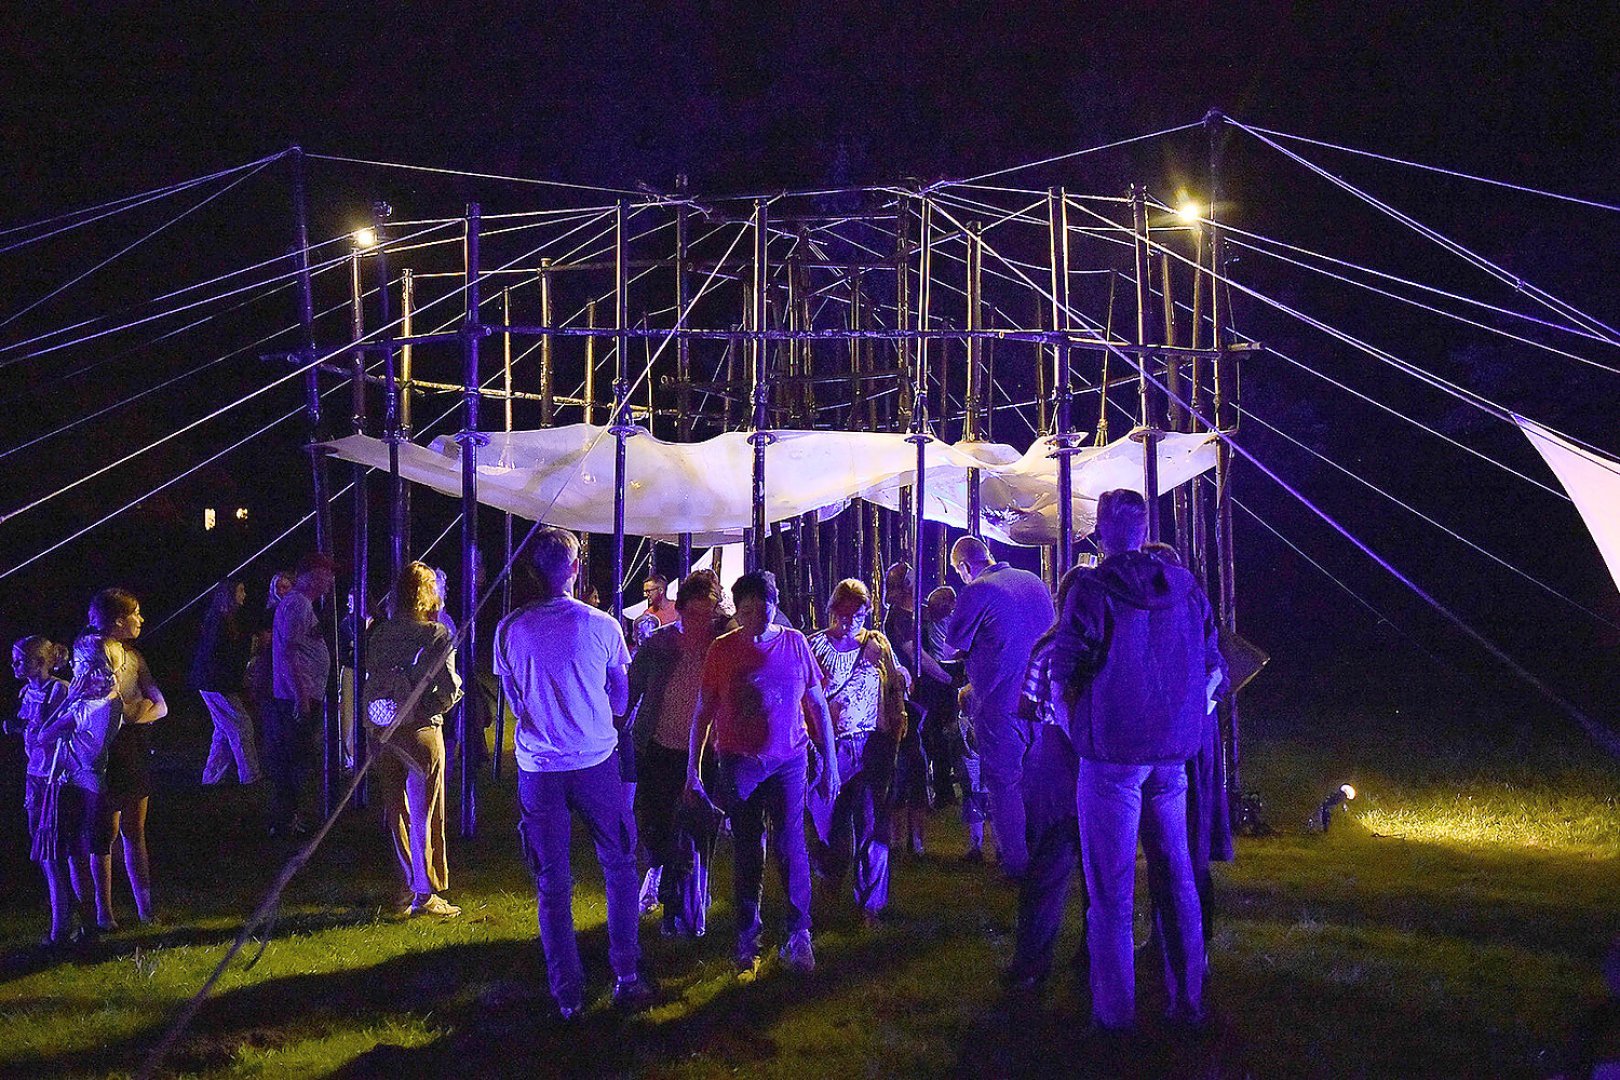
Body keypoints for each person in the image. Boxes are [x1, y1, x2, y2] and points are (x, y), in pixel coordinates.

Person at [1051, 489, 1226, 1033]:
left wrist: (1077, 731)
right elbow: (1215, 668)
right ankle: (1188, 1001)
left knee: (1110, 889)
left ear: (1101, 531)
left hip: (1110, 759)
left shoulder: (1091, 588)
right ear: (1145, 526)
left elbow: (1063, 675)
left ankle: (1115, 1018)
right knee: (1176, 877)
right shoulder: (1186, 585)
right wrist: (1190, 720)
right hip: (1171, 757)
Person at [494, 527, 653, 1018]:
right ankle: (626, 974)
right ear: (576, 569)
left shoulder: (510, 629)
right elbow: (622, 695)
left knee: (552, 881)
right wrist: (598, 712)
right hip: (595, 761)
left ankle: (568, 994)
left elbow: (516, 701)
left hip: (540, 767)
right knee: (620, 865)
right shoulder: (602, 626)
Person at [687, 569, 839, 977]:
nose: (755, 615)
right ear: (737, 611)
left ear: (775, 605)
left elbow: (818, 705)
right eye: (746, 608)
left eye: (763, 606)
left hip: (789, 760)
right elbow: (703, 713)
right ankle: (746, 939)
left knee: (792, 846)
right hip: (739, 761)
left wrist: (831, 764)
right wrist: (693, 772)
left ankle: (798, 934)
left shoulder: (795, 644)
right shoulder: (722, 651)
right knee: (748, 848)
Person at [626, 569, 730, 937]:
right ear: (681, 610)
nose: (701, 622)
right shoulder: (659, 646)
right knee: (659, 832)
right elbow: (631, 691)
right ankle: (668, 892)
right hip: (662, 749)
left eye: (709, 615)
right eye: (695, 614)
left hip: (705, 755)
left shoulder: (724, 644)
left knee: (695, 836)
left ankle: (684, 914)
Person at [945, 536, 1054, 879]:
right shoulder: (1033, 581)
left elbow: (951, 648)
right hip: (1040, 698)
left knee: (1003, 782)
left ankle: (1017, 866)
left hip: (999, 699)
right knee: (1037, 783)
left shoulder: (978, 590)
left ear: (964, 566)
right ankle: (1045, 857)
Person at [365, 561, 463, 919]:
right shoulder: (435, 634)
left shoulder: (379, 634)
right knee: (427, 811)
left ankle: (407, 883)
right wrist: (429, 707)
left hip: (382, 729)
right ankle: (426, 892)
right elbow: (450, 688)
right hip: (420, 730)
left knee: (396, 812)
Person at [807, 578, 908, 924]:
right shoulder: (814, 646)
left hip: (870, 744)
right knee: (830, 829)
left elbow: (894, 684)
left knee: (871, 825)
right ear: (833, 610)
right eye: (844, 613)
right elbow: (807, 698)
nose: (851, 621)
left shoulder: (878, 642)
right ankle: (830, 874)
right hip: (825, 748)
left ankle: (871, 906)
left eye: (859, 613)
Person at [1006, 566, 1087, 990]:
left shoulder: (1049, 646)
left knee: (1048, 867)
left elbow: (1028, 707)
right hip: (1092, 759)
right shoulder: (1101, 645)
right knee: (1099, 869)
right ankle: (1095, 958)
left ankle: (1032, 966)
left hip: (1052, 756)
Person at [87, 587, 165, 926]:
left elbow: (159, 705)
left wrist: (139, 710)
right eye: (136, 614)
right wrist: (132, 709)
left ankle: (145, 907)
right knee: (105, 833)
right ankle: (104, 913)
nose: (141, 620)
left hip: (132, 748)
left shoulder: (136, 659)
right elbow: (115, 708)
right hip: (105, 751)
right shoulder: (93, 655)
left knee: (136, 829)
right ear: (118, 621)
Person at [57, 632, 126, 938]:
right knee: (96, 849)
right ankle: (102, 916)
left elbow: (47, 733)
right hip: (94, 783)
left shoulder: (90, 704)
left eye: (78, 662)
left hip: (82, 784)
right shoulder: (109, 697)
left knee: (80, 851)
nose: (73, 667)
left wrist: (71, 699)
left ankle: (89, 920)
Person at [267, 552, 336, 838]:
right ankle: (285, 820)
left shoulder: (303, 605)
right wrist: (302, 697)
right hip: (297, 698)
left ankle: (288, 816)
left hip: (302, 694)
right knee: (295, 758)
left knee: (298, 757)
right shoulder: (296, 604)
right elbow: (289, 652)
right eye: (324, 575)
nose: (330, 581)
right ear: (308, 576)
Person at [14, 636, 74, 943]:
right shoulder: (27, 692)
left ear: (40, 662)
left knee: (54, 853)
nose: (14, 666)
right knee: (42, 852)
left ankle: (62, 926)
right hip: (34, 775)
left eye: (20, 660)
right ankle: (62, 921)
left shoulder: (59, 690)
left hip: (54, 778)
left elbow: (60, 730)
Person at [193, 580, 261, 786]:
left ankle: (211, 778)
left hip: (215, 682)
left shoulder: (228, 619)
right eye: (240, 590)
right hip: (216, 684)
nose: (244, 594)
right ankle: (250, 775)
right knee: (242, 726)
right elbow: (217, 655)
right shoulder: (219, 621)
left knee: (224, 731)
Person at [632, 573, 679, 650]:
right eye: (645, 592)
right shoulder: (647, 614)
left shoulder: (678, 609)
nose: (646, 595)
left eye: (648, 591)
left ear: (660, 590)